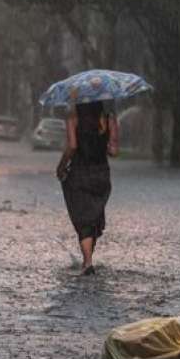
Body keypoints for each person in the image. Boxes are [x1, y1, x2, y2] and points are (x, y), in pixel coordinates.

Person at [56, 101, 119, 275]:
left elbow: (72, 146)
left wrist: (61, 167)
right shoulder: (108, 119)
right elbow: (114, 151)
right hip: (101, 175)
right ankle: (88, 259)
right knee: (93, 216)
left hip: (80, 173)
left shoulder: (73, 119)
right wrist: (101, 141)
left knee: (83, 218)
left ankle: (87, 263)